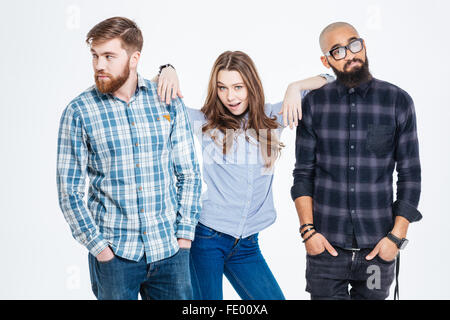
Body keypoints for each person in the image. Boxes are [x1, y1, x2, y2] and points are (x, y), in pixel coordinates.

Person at [158, 51, 333, 300]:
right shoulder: (204, 123)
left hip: (247, 245)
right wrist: (167, 70)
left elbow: (333, 79)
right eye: (223, 88)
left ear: (251, 85)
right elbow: (156, 100)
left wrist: (296, 87)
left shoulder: (274, 118)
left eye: (238, 86)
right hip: (207, 239)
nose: (231, 96)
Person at [56, 17, 202, 300]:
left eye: (109, 56)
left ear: (134, 58)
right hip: (115, 256)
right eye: (95, 56)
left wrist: (184, 238)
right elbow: (69, 192)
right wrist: (101, 249)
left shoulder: (167, 100)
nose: (99, 65)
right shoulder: (79, 111)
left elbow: (189, 173)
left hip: (170, 251)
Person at [291, 22, 422, 300]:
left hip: (378, 252)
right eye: (337, 51)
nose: (350, 54)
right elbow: (303, 175)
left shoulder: (397, 101)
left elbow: (410, 175)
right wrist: (308, 233)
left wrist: (396, 239)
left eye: (354, 44)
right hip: (326, 251)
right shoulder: (314, 104)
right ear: (326, 60)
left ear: (364, 45)